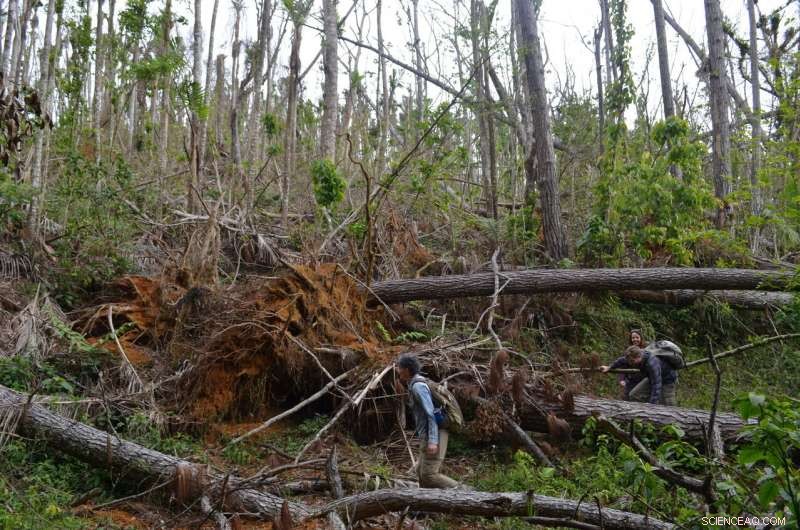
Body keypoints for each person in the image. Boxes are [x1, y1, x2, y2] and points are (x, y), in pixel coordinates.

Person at [395, 354, 459, 488]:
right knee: (420, 473)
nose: (397, 370)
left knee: (429, 475)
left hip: (436, 434)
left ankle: (467, 492)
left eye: (399, 368)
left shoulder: (418, 387)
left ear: (406, 370)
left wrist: (433, 441)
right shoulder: (414, 384)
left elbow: (430, 414)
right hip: (428, 435)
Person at [601, 345, 677, 406]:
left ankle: (673, 422)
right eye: (629, 361)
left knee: (668, 404)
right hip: (652, 378)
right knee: (634, 395)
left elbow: (656, 385)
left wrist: (652, 406)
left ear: (638, 357)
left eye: (632, 361)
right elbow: (621, 360)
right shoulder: (633, 356)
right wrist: (609, 367)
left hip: (667, 379)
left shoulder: (652, 363)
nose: (630, 363)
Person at [607, 330, 647, 400]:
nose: (635, 339)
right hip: (631, 380)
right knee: (627, 398)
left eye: (637, 337)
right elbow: (623, 365)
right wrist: (622, 379)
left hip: (643, 379)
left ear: (641, 338)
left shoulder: (646, 350)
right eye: (633, 338)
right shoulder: (628, 351)